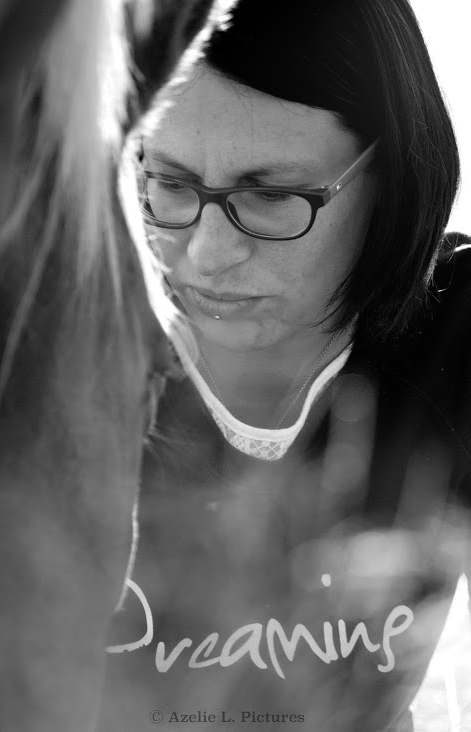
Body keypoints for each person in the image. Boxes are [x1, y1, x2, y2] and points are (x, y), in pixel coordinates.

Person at [99, 1, 471, 731]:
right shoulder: (43, 347)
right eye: (169, 182)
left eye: (269, 196)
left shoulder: (454, 330)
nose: (206, 255)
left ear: (395, 171)